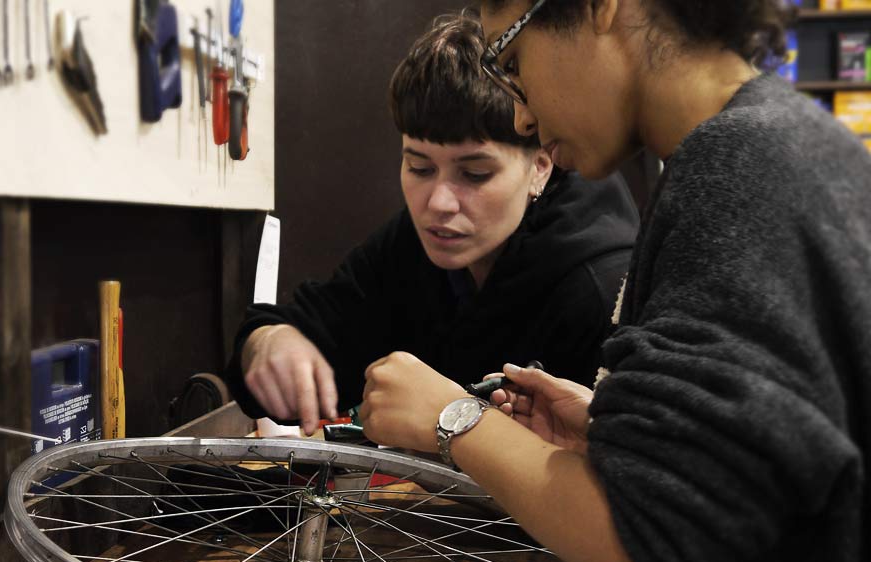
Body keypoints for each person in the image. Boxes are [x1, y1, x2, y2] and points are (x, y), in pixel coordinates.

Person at [360, 1, 870, 562]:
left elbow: (663, 541)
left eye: (513, 62)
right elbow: (765, 482)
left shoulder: (737, 168)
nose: (522, 114)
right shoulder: (783, 143)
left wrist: (453, 419)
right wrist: (617, 432)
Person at [226, 12, 639, 435]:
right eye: (419, 167)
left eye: (475, 174)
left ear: (540, 166)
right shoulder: (413, 246)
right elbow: (297, 335)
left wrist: (450, 422)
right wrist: (269, 343)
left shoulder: (600, 289)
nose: (439, 203)